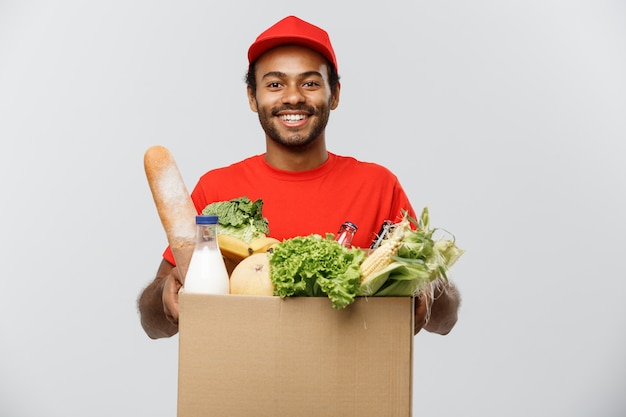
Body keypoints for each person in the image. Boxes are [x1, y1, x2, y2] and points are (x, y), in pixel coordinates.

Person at [138, 15, 461, 339]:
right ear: (252, 97)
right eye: (275, 84)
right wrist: (166, 293)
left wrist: (428, 288)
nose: (293, 97)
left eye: (309, 83)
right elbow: (153, 325)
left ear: (334, 94)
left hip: (352, 380)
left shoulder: (378, 186)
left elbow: (445, 321)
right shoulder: (217, 191)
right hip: (243, 379)